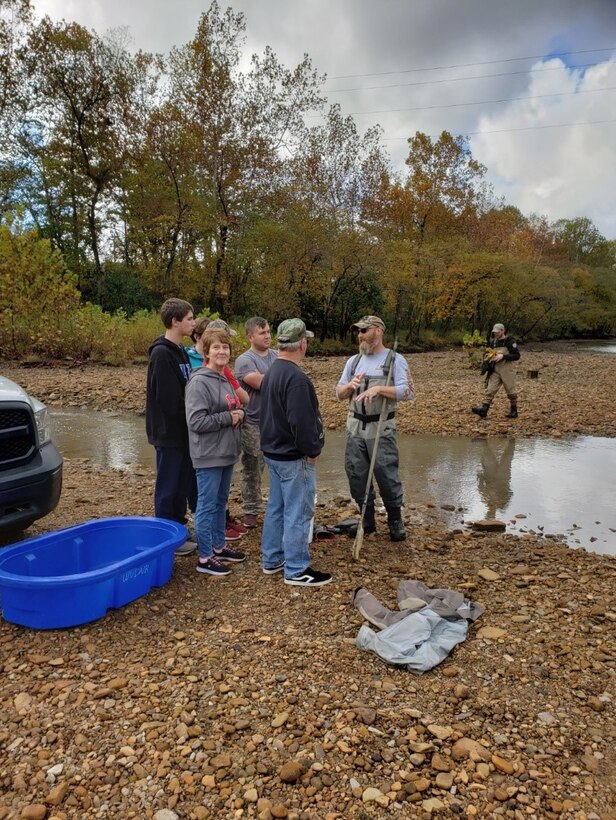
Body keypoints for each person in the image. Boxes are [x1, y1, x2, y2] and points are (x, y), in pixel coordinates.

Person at [259, 318, 331, 587]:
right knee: (298, 512)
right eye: (306, 340)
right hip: (292, 456)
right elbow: (300, 422)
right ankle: (297, 569)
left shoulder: (272, 372)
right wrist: (312, 449)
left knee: (276, 508)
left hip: (273, 453)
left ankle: (272, 559)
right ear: (302, 343)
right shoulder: (296, 378)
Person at [336, 315, 415, 542]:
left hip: (381, 427)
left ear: (378, 331)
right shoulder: (353, 362)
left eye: (364, 330)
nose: (359, 335)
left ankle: (395, 520)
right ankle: (367, 520)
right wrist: (348, 387)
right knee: (356, 475)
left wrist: (380, 389)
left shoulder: (395, 359)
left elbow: (409, 392)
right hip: (354, 427)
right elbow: (338, 393)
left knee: (387, 475)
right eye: (358, 331)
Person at [185, 328, 247, 576]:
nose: (222, 351)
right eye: (216, 348)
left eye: (225, 347)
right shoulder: (199, 381)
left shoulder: (224, 378)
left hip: (226, 452)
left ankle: (219, 547)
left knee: (221, 503)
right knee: (206, 506)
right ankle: (204, 557)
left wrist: (239, 415)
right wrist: (229, 417)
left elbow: (233, 409)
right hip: (208, 455)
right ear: (206, 353)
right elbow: (196, 422)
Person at [146, 298, 197, 556]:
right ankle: (166, 535)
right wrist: (193, 415)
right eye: (189, 319)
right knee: (169, 485)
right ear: (175, 321)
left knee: (182, 482)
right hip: (169, 432)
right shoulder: (161, 353)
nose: (193, 322)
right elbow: (167, 399)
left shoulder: (180, 350)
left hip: (184, 431)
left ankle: (178, 529)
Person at [234, 317, 278, 528]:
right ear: (251, 336)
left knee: (279, 465)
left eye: (269, 331)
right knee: (253, 467)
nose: (268, 336)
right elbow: (261, 383)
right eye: (262, 333)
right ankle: (251, 510)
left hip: (277, 420)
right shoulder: (244, 360)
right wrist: (278, 378)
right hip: (253, 422)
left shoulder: (277, 355)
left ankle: (279, 506)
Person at [472, 323, 520, 419]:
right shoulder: (493, 342)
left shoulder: (510, 341)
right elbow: (486, 352)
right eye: (494, 332)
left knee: (510, 391)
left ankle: (514, 410)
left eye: (498, 332)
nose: (496, 334)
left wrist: (503, 356)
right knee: (490, 389)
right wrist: (487, 357)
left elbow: (517, 356)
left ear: (503, 331)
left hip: (507, 369)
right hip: (495, 369)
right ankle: (484, 409)